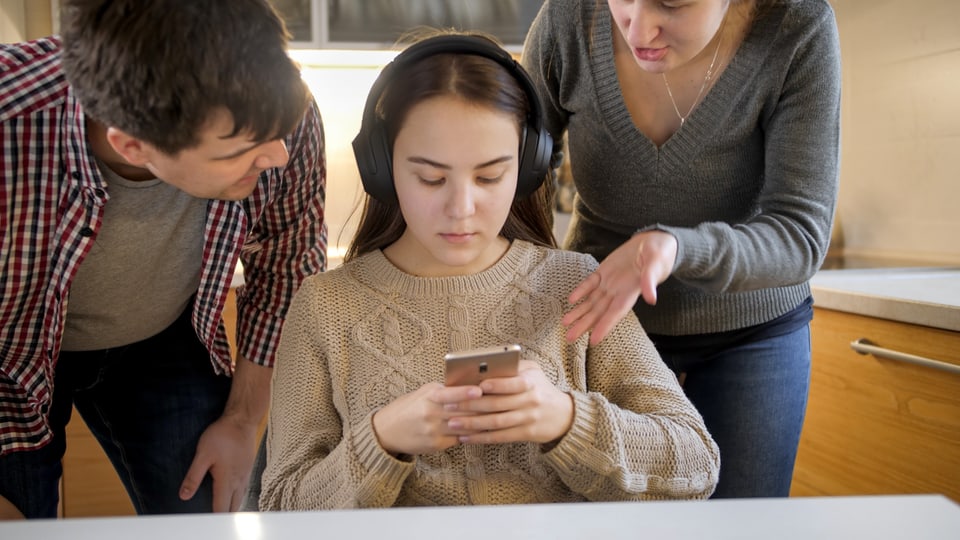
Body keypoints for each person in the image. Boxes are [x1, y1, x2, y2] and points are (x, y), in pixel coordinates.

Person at [258, 32, 719, 511]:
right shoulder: (322, 306)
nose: (461, 208)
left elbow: (697, 462)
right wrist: (381, 439)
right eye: (431, 178)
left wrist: (566, 420)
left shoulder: (576, 283)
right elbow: (281, 505)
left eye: (490, 177)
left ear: (527, 166)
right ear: (381, 167)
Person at [0, 0, 327, 519]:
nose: (278, 157)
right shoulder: (10, 125)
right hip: (9, 362)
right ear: (131, 145)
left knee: (209, 513)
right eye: (236, 152)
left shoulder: (274, 114)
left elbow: (287, 263)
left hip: (165, 337)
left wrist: (243, 420)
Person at [520, 0, 841, 498]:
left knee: (742, 527)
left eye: (672, 4)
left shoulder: (797, 27)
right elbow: (521, 173)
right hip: (604, 328)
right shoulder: (567, 19)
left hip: (752, 335)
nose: (640, 28)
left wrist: (675, 248)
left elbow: (799, 234)